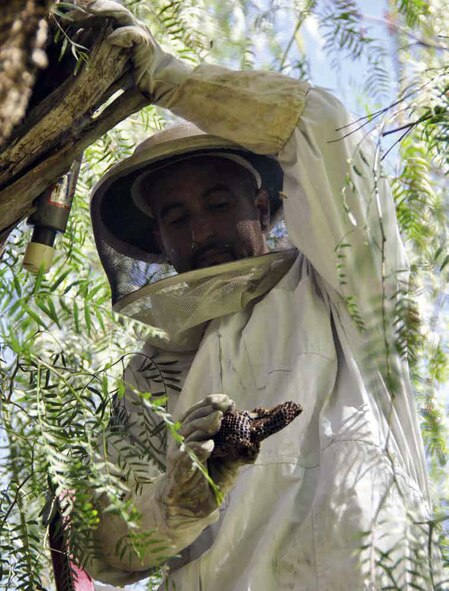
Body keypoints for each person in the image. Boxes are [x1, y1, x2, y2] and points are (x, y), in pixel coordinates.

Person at [82, 1, 442, 589]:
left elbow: (320, 126)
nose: (199, 230)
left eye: (217, 203)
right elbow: (106, 551)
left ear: (262, 206)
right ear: (157, 240)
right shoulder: (151, 375)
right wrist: (180, 500)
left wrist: (172, 80)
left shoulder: (339, 289)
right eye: (175, 217)